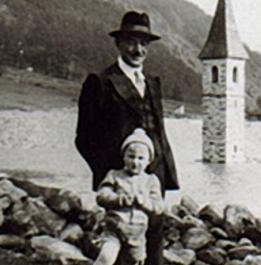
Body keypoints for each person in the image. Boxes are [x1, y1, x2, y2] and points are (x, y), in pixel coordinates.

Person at [75, 11, 179, 265]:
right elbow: (83, 138)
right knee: (120, 248)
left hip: (154, 181)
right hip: (121, 183)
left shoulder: (153, 83)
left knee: (153, 249)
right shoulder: (100, 82)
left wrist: (165, 175)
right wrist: (112, 175)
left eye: (144, 44)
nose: (138, 49)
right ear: (118, 43)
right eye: (132, 42)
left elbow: (159, 133)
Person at [94, 128, 164, 265]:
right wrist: (118, 199)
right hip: (114, 229)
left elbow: (159, 206)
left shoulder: (151, 180)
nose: (135, 162)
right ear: (123, 157)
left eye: (140, 158)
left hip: (137, 234)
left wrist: (144, 202)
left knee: (134, 261)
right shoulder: (114, 175)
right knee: (106, 258)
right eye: (131, 156)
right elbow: (101, 195)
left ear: (148, 161)